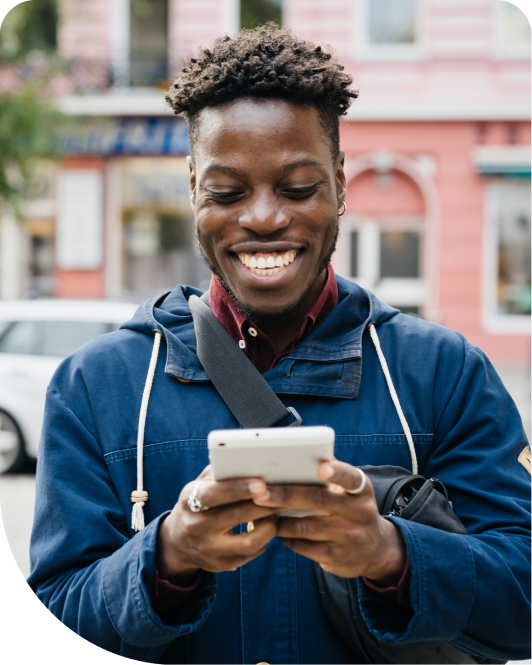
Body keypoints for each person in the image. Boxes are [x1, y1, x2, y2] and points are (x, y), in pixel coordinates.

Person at [28, 24, 532, 665]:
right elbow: (51, 621)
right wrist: (170, 556)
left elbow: (525, 598)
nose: (264, 218)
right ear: (192, 188)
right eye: (227, 192)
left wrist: (389, 553)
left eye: (297, 189)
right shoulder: (94, 388)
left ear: (341, 184)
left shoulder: (445, 374)